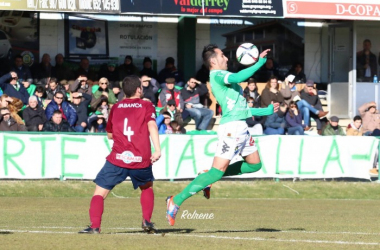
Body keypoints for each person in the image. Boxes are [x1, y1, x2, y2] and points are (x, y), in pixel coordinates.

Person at [165, 44, 275, 226]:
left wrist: (266, 111)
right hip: (231, 129)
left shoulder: (228, 79)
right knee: (217, 171)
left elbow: (241, 109)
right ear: (213, 61)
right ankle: (175, 201)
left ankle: (207, 176)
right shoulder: (217, 74)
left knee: (255, 165)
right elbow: (240, 76)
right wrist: (260, 62)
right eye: (222, 55)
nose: (226, 58)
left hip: (241, 127)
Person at [79, 75, 161, 234]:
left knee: (100, 192)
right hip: (140, 158)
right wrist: (157, 149)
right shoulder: (146, 105)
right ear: (139, 89)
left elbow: (109, 134)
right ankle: (147, 221)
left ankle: (95, 226)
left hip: (118, 158)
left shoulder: (115, 107)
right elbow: (152, 125)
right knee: (147, 187)